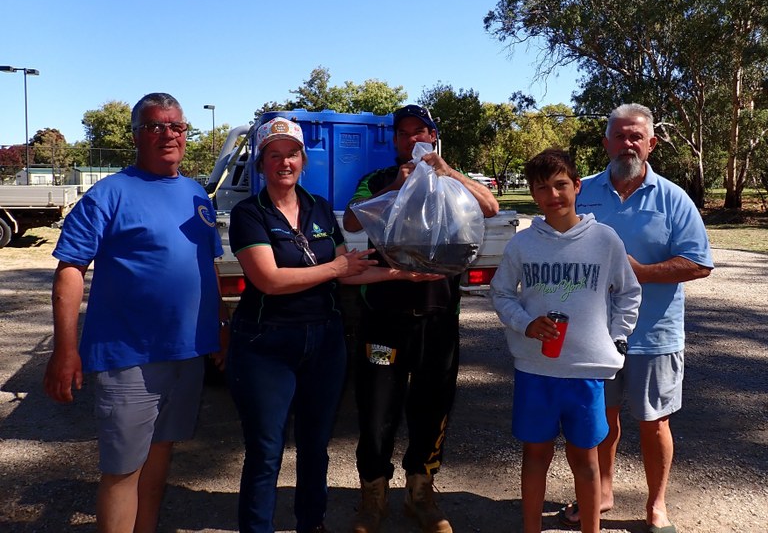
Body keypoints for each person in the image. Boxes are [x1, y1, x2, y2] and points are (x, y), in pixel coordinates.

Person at [226, 116, 440, 533]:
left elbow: (347, 271)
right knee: (265, 450)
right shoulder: (249, 213)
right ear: (262, 163)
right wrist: (336, 266)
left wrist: (402, 274)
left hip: (323, 340)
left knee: (315, 446)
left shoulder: (319, 207)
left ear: (303, 159)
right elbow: (268, 280)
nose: (284, 162)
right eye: (274, 155)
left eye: (291, 154)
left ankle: (312, 523)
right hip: (267, 344)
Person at [43, 92, 228, 533]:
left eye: (176, 126)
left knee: (160, 458)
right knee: (123, 472)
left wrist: (221, 326)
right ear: (136, 136)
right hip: (128, 357)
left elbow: (208, 267)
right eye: (155, 126)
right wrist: (65, 350)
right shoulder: (109, 194)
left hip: (186, 355)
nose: (168, 134)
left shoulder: (196, 192)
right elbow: (70, 270)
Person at [342, 104, 499, 533]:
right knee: (376, 412)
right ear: (394, 140)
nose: (412, 140)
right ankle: (372, 496)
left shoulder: (452, 176)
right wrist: (395, 185)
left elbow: (489, 206)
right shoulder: (375, 179)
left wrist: (449, 173)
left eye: (420, 132)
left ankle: (420, 493)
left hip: (437, 319)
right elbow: (353, 218)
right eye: (403, 133)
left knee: (432, 409)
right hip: (382, 321)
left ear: (433, 136)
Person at [558, 103, 713, 533]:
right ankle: (602, 493)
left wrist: (639, 273)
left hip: (655, 334)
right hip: (593, 335)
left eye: (636, 137)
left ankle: (656, 505)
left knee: (654, 422)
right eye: (620, 135)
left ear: (651, 144)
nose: (628, 143)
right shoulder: (582, 191)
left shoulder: (673, 198)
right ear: (606, 141)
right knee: (601, 420)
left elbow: (699, 263)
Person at [490, 149, 641, 533]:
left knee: (585, 458)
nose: (553, 195)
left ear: (576, 186)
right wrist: (525, 324)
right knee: (535, 453)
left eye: (561, 185)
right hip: (535, 369)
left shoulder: (605, 240)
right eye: (543, 188)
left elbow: (628, 292)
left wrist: (617, 338)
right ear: (533, 194)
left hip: (586, 370)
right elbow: (502, 293)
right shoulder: (522, 244)